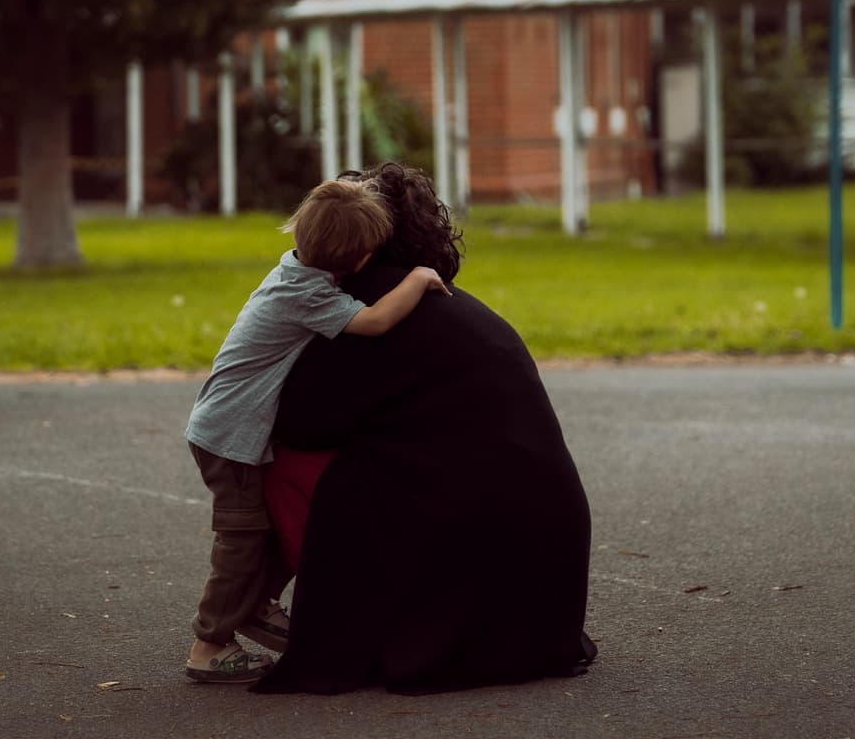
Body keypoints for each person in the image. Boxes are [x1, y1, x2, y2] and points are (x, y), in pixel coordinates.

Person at [255, 161, 598, 695]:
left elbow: (302, 422)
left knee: (285, 463)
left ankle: (329, 616)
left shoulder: (361, 308)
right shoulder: (452, 303)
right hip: (548, 578)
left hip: (479, 552)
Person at [183, 178, 451, 684]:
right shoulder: (305, 294)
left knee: (265, 526)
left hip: (229, 427)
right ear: (358, 259)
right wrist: (417, 278)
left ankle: (255, 605)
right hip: (231, 437)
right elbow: (374, 322)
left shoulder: (295, 268)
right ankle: (209, 643)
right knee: (241, 537)